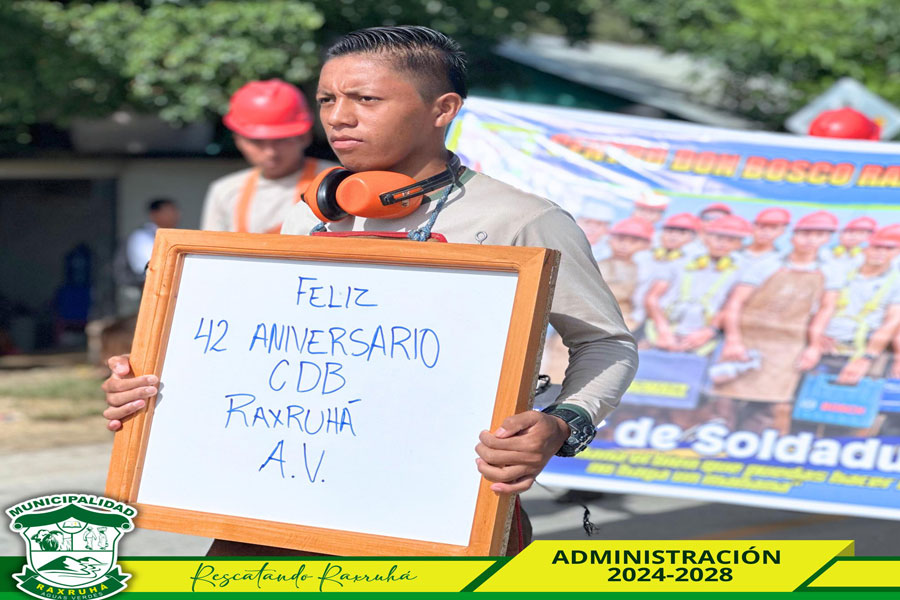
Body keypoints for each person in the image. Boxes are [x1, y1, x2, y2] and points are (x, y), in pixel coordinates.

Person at [101, 25, 638, 556]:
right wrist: (153, 384)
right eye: (327, 99)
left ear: (443, 109)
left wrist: (563, 423)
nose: (338, 117)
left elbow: (606, 343)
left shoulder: (522, 220)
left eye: (366, 99)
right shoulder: (309, 216)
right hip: (275, 511)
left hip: (439, 520)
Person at [713, 211, 838, 432]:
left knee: (767, 408)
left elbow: (825, 309)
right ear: (793, 236)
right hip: (747, 342)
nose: (810, 240)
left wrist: (813, 347)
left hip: (787, 349)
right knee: (724, 402)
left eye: (819, 235)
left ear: (827, 239)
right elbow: (736, 302)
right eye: (805, 234)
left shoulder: (829, 271)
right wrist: (733, 340)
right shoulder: (766, 264)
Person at [200, 79, 338, 233]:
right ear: (238, 140)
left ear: (305, 137)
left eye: (281, 140)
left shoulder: (335, 183)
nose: (270, 152)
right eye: (257, 142)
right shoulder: (226, 191)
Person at [798, 225, 900, 385]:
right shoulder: (840, 269)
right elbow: (824, 307)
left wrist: (866, 358)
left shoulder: (895, 282)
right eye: (876, 247)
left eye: (889, 248)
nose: (881, 252)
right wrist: (815, 343)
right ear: (865, 247)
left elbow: (892, 323)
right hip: (822, 345)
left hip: (861, 350)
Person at [644, 214, 751, 354]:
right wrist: (663, 330)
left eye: (731, 240)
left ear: (739, 245)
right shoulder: (678, 262)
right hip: (659, 331)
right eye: (718, 237)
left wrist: (709, 331)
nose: (722, 244)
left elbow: (732, 305)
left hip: (704, 339)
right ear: (706, 237)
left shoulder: (743, 271)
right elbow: (652, 298)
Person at [631, 212, 702, 332]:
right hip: (637, 318)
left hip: (672, 324)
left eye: (682, 233)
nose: (673, 236)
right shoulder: (643, 257)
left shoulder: (697, 263)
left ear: (694, 238)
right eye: (669, 231)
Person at [113, 198, 180, 315]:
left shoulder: (172, 236)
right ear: (154, 214)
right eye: (169, 211)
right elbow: (155, 267)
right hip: (144, 296)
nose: (176, 215)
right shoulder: (142, 236)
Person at [597, 217, 653, 331]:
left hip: (623, 320)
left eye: (633, 242)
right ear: (609, 240)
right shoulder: (595, 263)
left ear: (646, 245)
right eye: (620, 239)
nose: (624, 245)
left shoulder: (645, 270)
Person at [737, 207, 790, 272]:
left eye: (773, 228)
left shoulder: (782, 262)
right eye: (762, 226)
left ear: (782, 231)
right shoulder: (732, 252)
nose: (766, 231)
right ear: (752, 226)